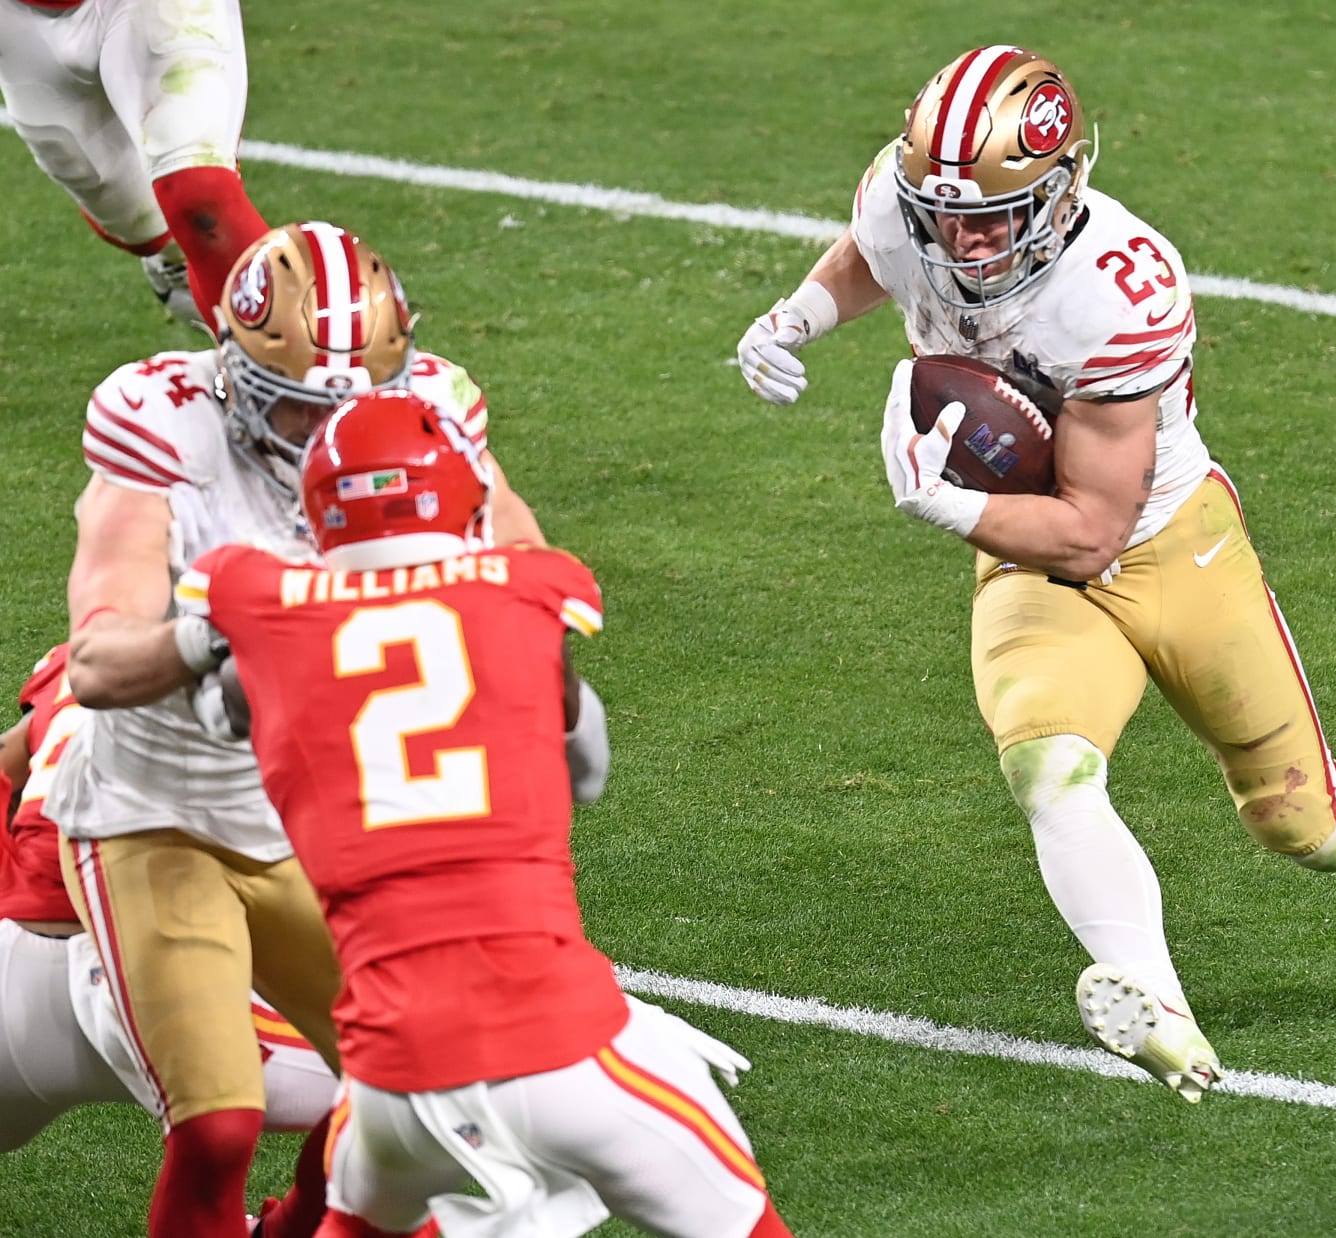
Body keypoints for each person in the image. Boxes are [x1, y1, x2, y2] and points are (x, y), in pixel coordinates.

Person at [736, 45, 1336, 1101]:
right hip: (1029, 551)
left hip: (1165, 544)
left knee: (1304, 819)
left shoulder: (1121, 291)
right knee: (1047, 766)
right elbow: (874, 253)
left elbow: (1093, 532)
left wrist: (945, 502)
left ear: (1058, 188)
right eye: (945, 215)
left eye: (994, 217)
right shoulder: (906, 202)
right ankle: (1160, 1012)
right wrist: (795, 315)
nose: (965, 241)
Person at [138, 388, 792, 1238]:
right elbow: (588, 771)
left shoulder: (258, 598)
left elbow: (224, 708)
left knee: (358, 1214)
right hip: (558, 1042)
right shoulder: (525, 585)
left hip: (389, 1081)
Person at [53, 219, 543, 1238]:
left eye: (349, 408)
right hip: (157, 814)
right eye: (293, 404)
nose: (322, 435)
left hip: (315, 820)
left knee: (421, 1094)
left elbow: (525, 571)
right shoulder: (164, 424)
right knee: (219, 1122)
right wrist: (220, 638)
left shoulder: (432, 413)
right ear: (230, 369)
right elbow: (96, 661)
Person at [0, 644, 337, 1156]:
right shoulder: (269, 666)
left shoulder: (83, 657)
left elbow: (10, 757)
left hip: (17, 968)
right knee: (400, 1082)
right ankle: (299, 1210)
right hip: (151, 965)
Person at [0, 0, 271, 331]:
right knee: (137, 222)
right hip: (18, 19)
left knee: (197, 190)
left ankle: (297, 343)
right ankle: (178, 257)